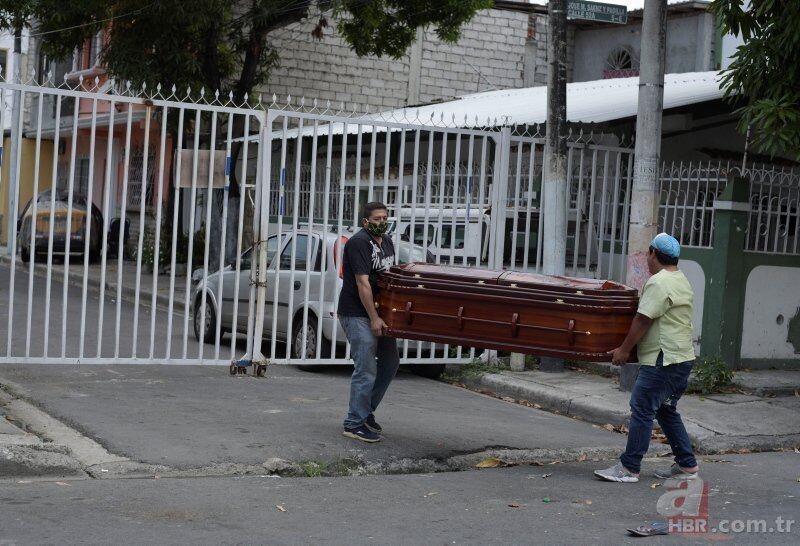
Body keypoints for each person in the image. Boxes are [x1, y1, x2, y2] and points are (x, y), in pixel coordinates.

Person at [594, 233, 699, 483]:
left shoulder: (658, 282)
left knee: (641, 407)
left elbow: (642, 320)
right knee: (666, 410)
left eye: (648, 254)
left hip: (663, 359)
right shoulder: (681, 279)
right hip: (682, 358)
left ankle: (629, 467)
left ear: (653, 253)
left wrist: (623, 350)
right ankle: (687, 464)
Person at [337, 202, 399, 443]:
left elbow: (390, 276)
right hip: (356, 312)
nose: (382, 222)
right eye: (376, 219)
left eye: (384, 217)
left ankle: (365, 412)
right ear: (365, 222)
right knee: (366, 367)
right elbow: (363, 284)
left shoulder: (388, 242)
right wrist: (373, 318)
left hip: (379, 312)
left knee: (390, 362)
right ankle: (353, 423)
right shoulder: (359, 243)